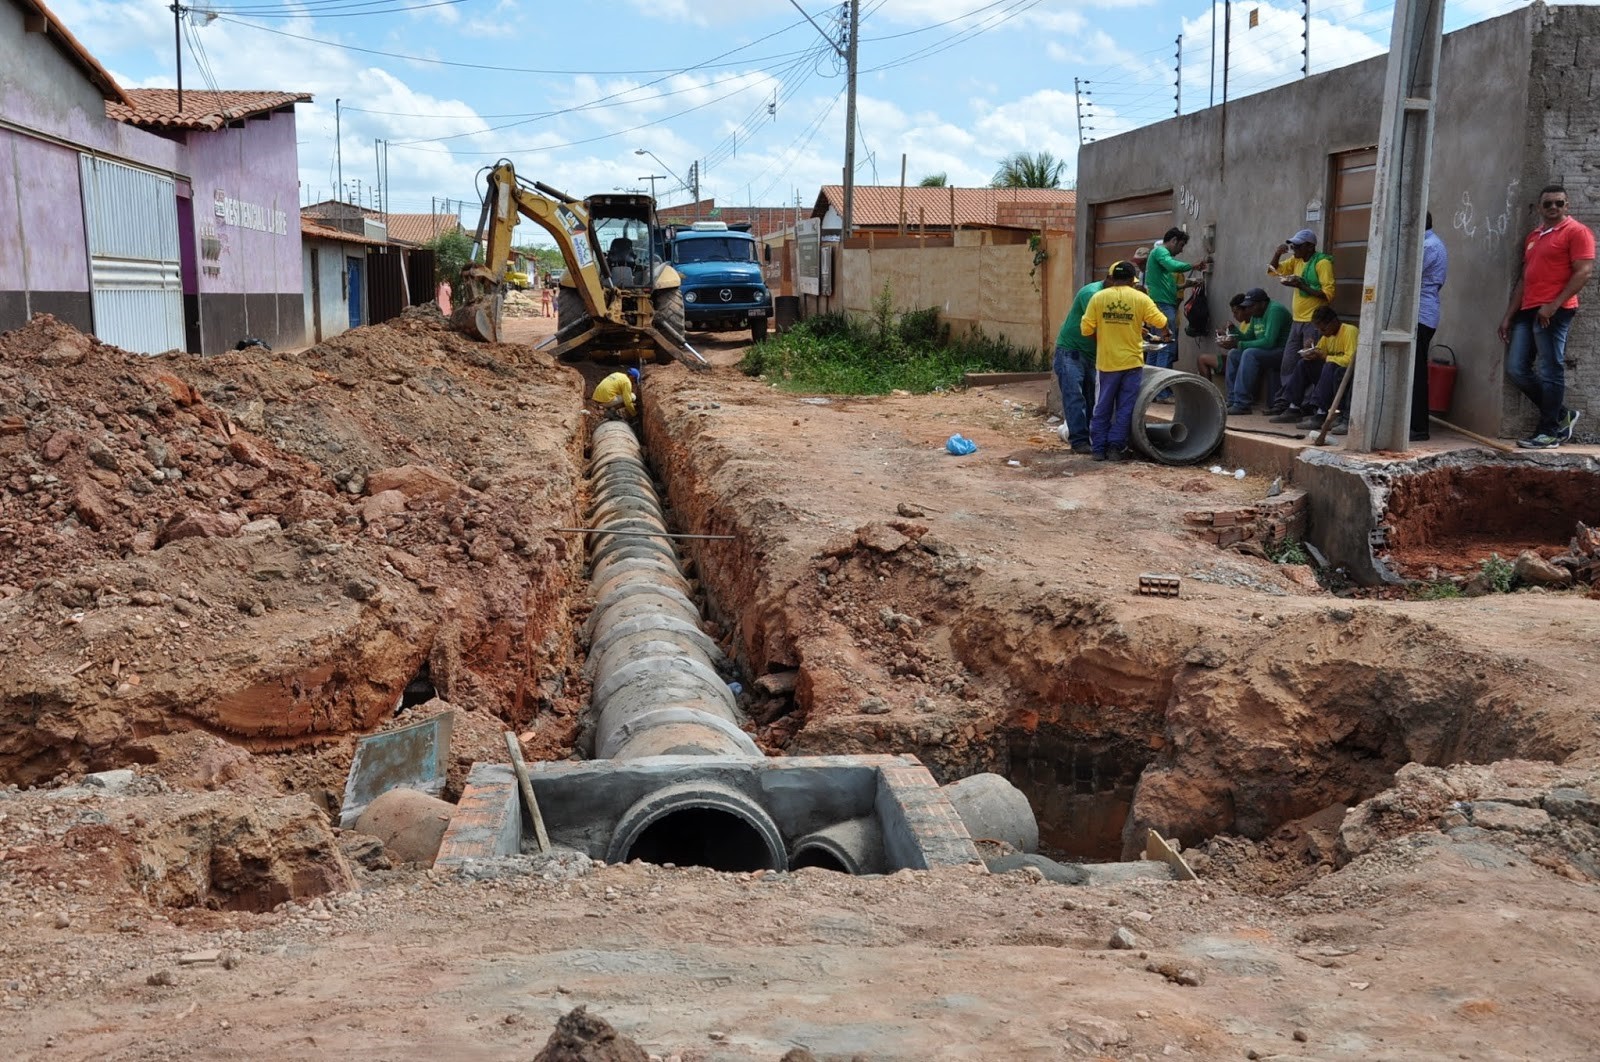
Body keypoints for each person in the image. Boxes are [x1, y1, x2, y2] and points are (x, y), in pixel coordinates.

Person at [1499, 183, 1594, 449]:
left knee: (1551, 369)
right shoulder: (1535, 236)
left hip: (1554, 311)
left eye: (1559, 203)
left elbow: (1583, 272)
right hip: (1527, 310)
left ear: (1568, 205)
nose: (1553, 207)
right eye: (1548, 203)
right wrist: (1509, 315)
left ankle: (1550, 432)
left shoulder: (1577, 232)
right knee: (1517, 369)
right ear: (1540, 207)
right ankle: (1562, 414)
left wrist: (1553, 305)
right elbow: (1524, 280)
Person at [1081, 260, 1170, 462]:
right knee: (1125, 407)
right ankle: (1115, 448)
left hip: (1107, 363)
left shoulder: (1098, 298)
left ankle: (1098, 449)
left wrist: (1104, 338)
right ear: (1131, 280)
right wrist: (1165, 333)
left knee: (1102, 406)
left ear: (1112, 278)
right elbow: (1162, 322)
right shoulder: (1140, 298)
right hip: (1132, 363)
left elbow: (1086, 329)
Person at [1266, 229, 1336, 415]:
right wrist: (1277, 253)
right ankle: (1287, 400)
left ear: (1310, 246)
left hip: (1314, 322)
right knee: (1288, 363)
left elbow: (1328, 294)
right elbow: (1274, 271)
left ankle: (1305, 404)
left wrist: (1301, 285)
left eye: (1297, 246)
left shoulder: (1322, 263)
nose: (1293, 249)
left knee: (1309, 361)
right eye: (1292, 245)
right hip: (1297, 320)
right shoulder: (1296, 261)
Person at [1144, 227, 1211, 379]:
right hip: (1163, 306)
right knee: (1167, 347)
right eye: (1181, 245)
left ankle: (1151, 388)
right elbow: (1173, 266)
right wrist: (1192, 265)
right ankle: (1162, 390)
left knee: (1156, 347)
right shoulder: (1161, 252)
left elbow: (1168, 285)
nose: (1181, 250)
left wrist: (1186, 285)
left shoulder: (1159, 256)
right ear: (1173, 241)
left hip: (1159, 305)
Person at [1287, 306, 1358, 435]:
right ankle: (1293, 407)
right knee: (1304, 363)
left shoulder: (1349, 331)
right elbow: (1320, 352)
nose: (1321, 332)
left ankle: (1321, 413)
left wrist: (1325, 357)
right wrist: (1310, 350)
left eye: (1323, 328)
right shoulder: (1327, 336)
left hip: (1343, 377)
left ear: (1334, 322)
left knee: (1329, 365)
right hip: (1329, 377)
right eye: (1318, 329)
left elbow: (1350, 360)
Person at [1409, 213, 1449, 442]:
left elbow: (1408, 275)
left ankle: (1419, 427)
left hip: (1421, 315)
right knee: (1413, 372)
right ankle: (1414, 424)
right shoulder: (1430, 244)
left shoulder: (1428, 246)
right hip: (1423, 313)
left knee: (1416, 374)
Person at [1223, 287, 1293, 414]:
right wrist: (1233, 331)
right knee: (1233, 354)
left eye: (1251, 306)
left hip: (1281, 352)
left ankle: (1242, 404)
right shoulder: (1256, 314)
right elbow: (1248, 337)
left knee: (1249, 353)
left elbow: (1269, 342)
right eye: (1247, 307)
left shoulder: (1274, 311)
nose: (1248, 310)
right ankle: (1233, 399)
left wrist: (1239, 344)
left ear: (1262, 303)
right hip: (1266, 352)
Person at [1052, 279, 1102, 455]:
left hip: (1090, 353)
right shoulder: (1092, 294)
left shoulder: (1113, 296)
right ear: (1111, 280)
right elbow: (1098, 326)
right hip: (1071, 351)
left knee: (1090, 398)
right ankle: (1079, 441)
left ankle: (1087, 437)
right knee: (1075, 395)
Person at [1200, 293, 1251, 380]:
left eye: (1236, 312)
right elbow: (1239, 339)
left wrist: (1232, 335)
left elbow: (1245, 342)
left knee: (1202, 359)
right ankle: (1208, 390)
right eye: (1233, 313)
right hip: (1235, 356)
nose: (1234, 316)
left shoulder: (1253, 324)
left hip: (1242, 358)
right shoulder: (1243, 324)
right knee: (1201, 359)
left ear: (1246, 310)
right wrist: (1225, 335)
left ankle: (1210, 391)